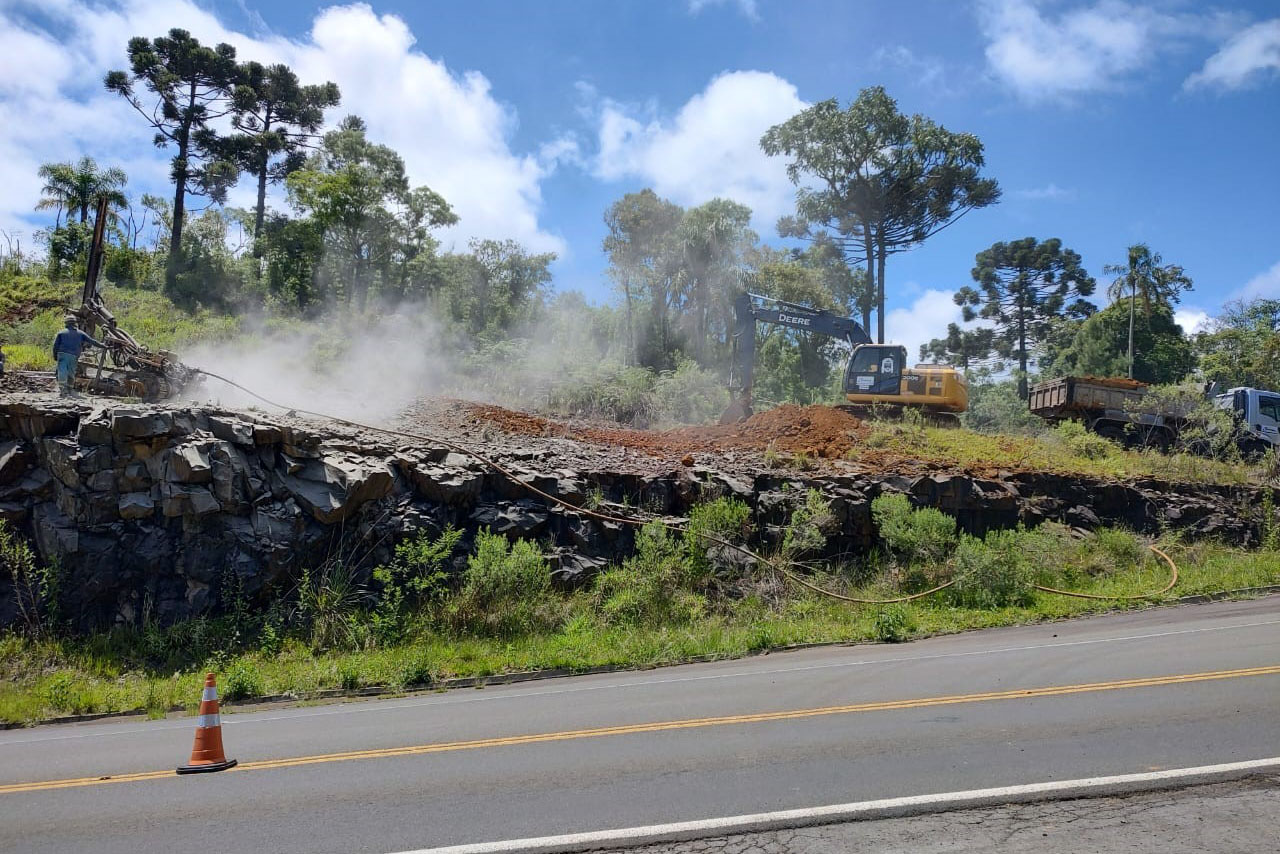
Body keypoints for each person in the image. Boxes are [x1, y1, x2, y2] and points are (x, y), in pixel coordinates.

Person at [52, 315, 106, 396]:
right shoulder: (81, 333)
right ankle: (70, 389)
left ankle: (63, 390)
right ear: (75, 323)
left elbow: (55, 346)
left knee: (62, 371)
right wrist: (104, 346)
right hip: (74, 355)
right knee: (71, 372)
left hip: (62, 354)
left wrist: (55, 356)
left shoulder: (61, 333)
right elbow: (92, 341)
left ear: (66, 323)